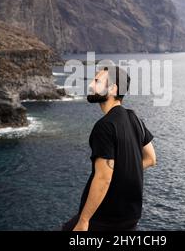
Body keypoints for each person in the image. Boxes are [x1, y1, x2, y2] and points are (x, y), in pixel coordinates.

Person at [61, 66, 156, 231]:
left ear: (113, 89)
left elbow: (104, 178)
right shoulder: (135, 119)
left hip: (104, 220)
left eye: (97, 81)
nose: (91, 84)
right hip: (130, 218)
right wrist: (122, 173)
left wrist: (84, 221)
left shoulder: (104, 126)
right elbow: (150, 158)